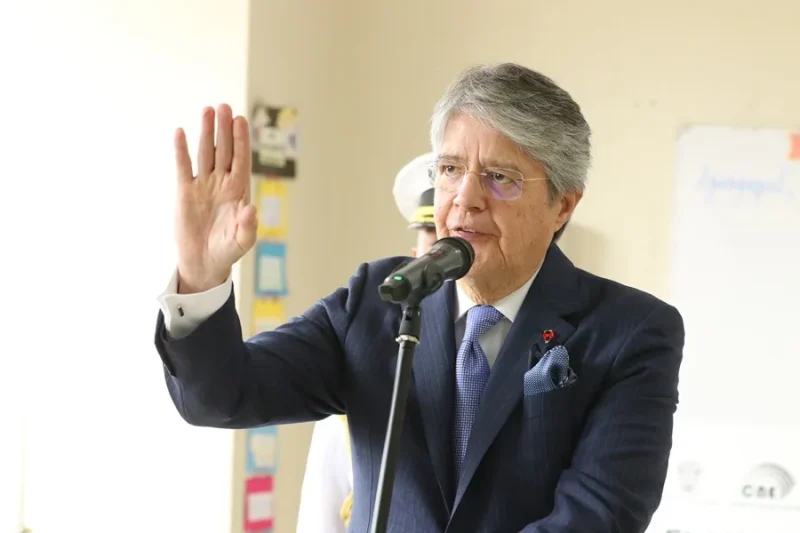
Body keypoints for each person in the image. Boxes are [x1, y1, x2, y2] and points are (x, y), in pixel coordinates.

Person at [155, 63, 685, 532]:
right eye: (451, 170)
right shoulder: (378, 300)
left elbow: (598, 517)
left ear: (562, 207)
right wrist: (202, 279)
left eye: (500, 178)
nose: (465, 199)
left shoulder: (632, 332)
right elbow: (221, 397)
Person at [296, 153, 437, 532]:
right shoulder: (354, 386)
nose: (447, 260)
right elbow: (319, 521)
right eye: (434, 240)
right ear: (413, 260)